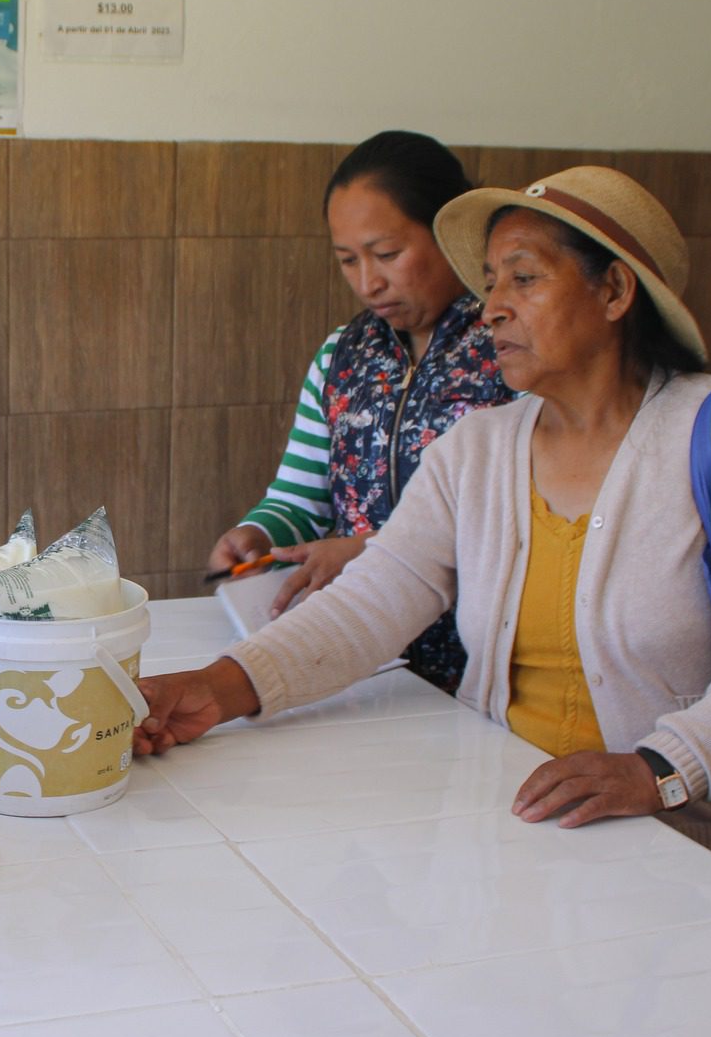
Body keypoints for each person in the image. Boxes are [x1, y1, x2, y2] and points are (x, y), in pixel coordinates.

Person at [142, 165, 711, 873]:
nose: (491, 308)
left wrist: (661, 767)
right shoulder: (478, 450)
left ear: (613, 290)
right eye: (490, 281)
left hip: (688, 853)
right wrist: (214, 687)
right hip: (516, 835)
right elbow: (371, 600)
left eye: (524, 277)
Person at [207, 131, 511, 692]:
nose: (369, 283)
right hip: (358, 664)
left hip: (481, 673)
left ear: (448, 231)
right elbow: (301, 499)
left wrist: (370, 552)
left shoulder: (511, 352)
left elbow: (528, 527)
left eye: (388, 254)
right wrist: (259, 533)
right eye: (348, 260)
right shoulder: (342, 357)